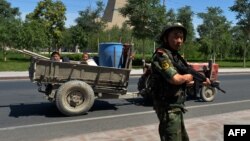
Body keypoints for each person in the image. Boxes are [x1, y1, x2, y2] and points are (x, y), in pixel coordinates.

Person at [151, 22, 210, 141]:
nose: (179, 41)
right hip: (168, 108)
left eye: (181, 37)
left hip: (175, 107)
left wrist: (196, 82)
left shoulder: (175, 56)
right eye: (175, 36)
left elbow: (183, 78)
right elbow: (175, 79)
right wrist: (188, 78)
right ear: (165, 38)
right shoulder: (162, 55)